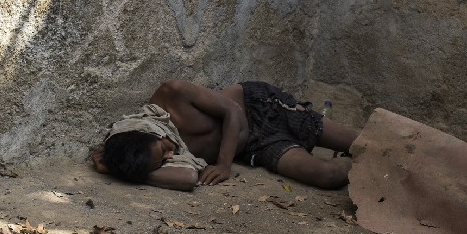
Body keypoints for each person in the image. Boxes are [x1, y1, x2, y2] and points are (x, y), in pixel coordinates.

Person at [92, 79, 359, 191]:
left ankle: (361, 151)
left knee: (363, 143)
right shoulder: (141, 155)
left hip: (261, 108)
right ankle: (360, 166)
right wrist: (128, 172)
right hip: (255, 147)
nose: (172, 155)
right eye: (164, 160)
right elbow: (186, 178)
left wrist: (223, 164)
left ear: (151, 132)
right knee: (327, 176)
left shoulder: (170, 96)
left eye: (164, 150)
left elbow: (232, 111)